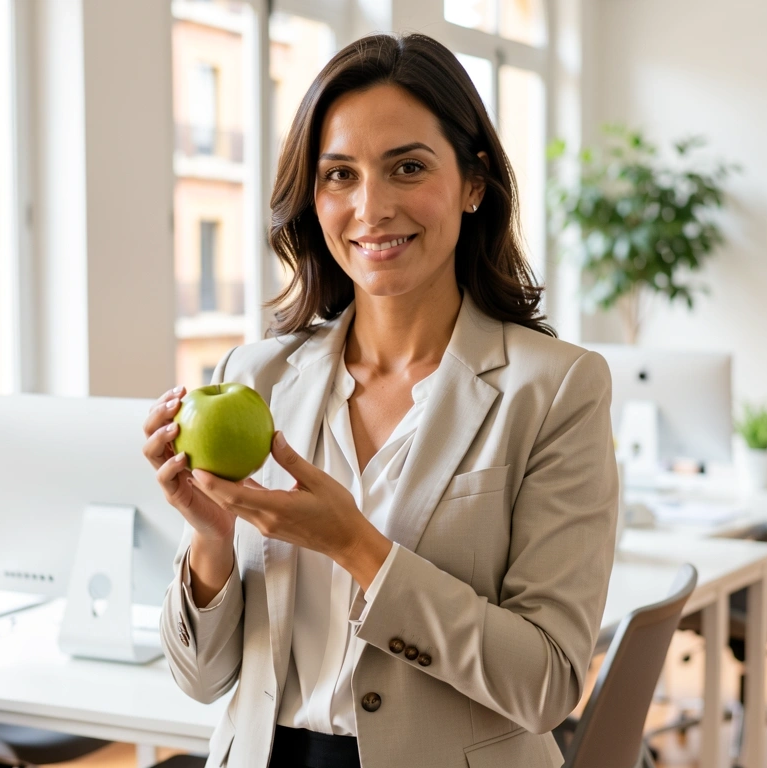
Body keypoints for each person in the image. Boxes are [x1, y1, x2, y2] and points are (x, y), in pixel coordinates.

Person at [142, 32, 617, 768]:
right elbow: (200, 678)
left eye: (408, 167)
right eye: (339, 175)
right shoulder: (258, 375)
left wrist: (356, 548)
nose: (371, 207)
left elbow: (548, 684)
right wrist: (209, 541)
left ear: (473, 183)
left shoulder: (555, 389)